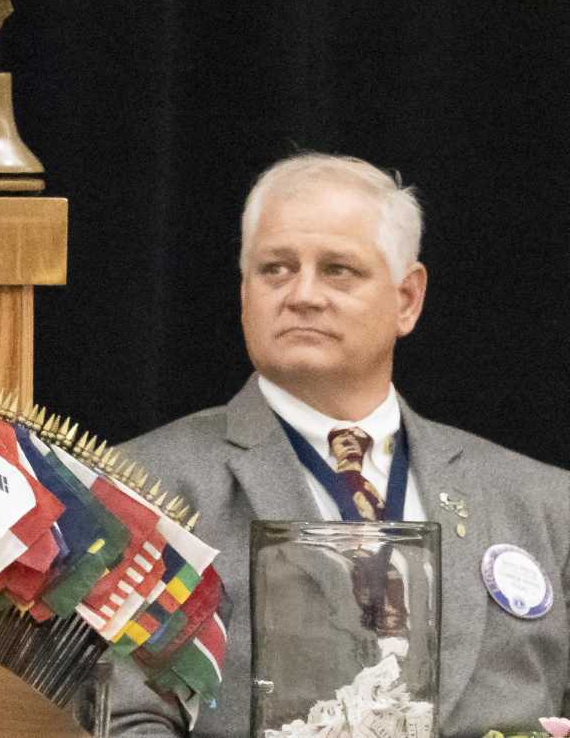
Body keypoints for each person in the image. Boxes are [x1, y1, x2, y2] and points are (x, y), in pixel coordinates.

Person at [110, 153, 570, 737]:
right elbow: (124, 721)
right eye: (275, 268)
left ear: (407, 299)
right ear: (244, 292)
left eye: (338, 270)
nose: (303, 294)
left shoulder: (546, 505)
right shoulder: (142, 486)